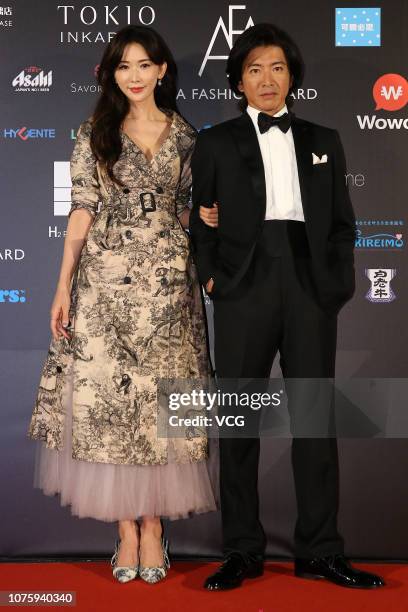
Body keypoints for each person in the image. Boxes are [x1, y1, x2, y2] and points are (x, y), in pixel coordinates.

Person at [189, 23, 385, 590]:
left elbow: (344, 224)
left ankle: (321, 550)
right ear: (238, 81)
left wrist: (337, 284)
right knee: (240, 425)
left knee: (314, 423)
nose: (266, 79)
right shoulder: (216, 142)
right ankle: (243, 550)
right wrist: (210, 280)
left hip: (310, 285)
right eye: (253, 69)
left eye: (276, 67)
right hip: (243, 286)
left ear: (292, 75)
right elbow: (201, 223)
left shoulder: (326, 138)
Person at [27, 25, 218, 585]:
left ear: (162, 70)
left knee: (160, 407)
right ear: (112, 75)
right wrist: (62, 286)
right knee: (111, 406)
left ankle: (154, 527)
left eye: (144, 65)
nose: (133, 76)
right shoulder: (94, 134)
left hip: (168, 289)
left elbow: (190, 213)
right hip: (105, 286)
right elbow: (81, 213)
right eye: (122, 67)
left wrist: (209, 227)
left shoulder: (188, 138)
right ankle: (125, 531)